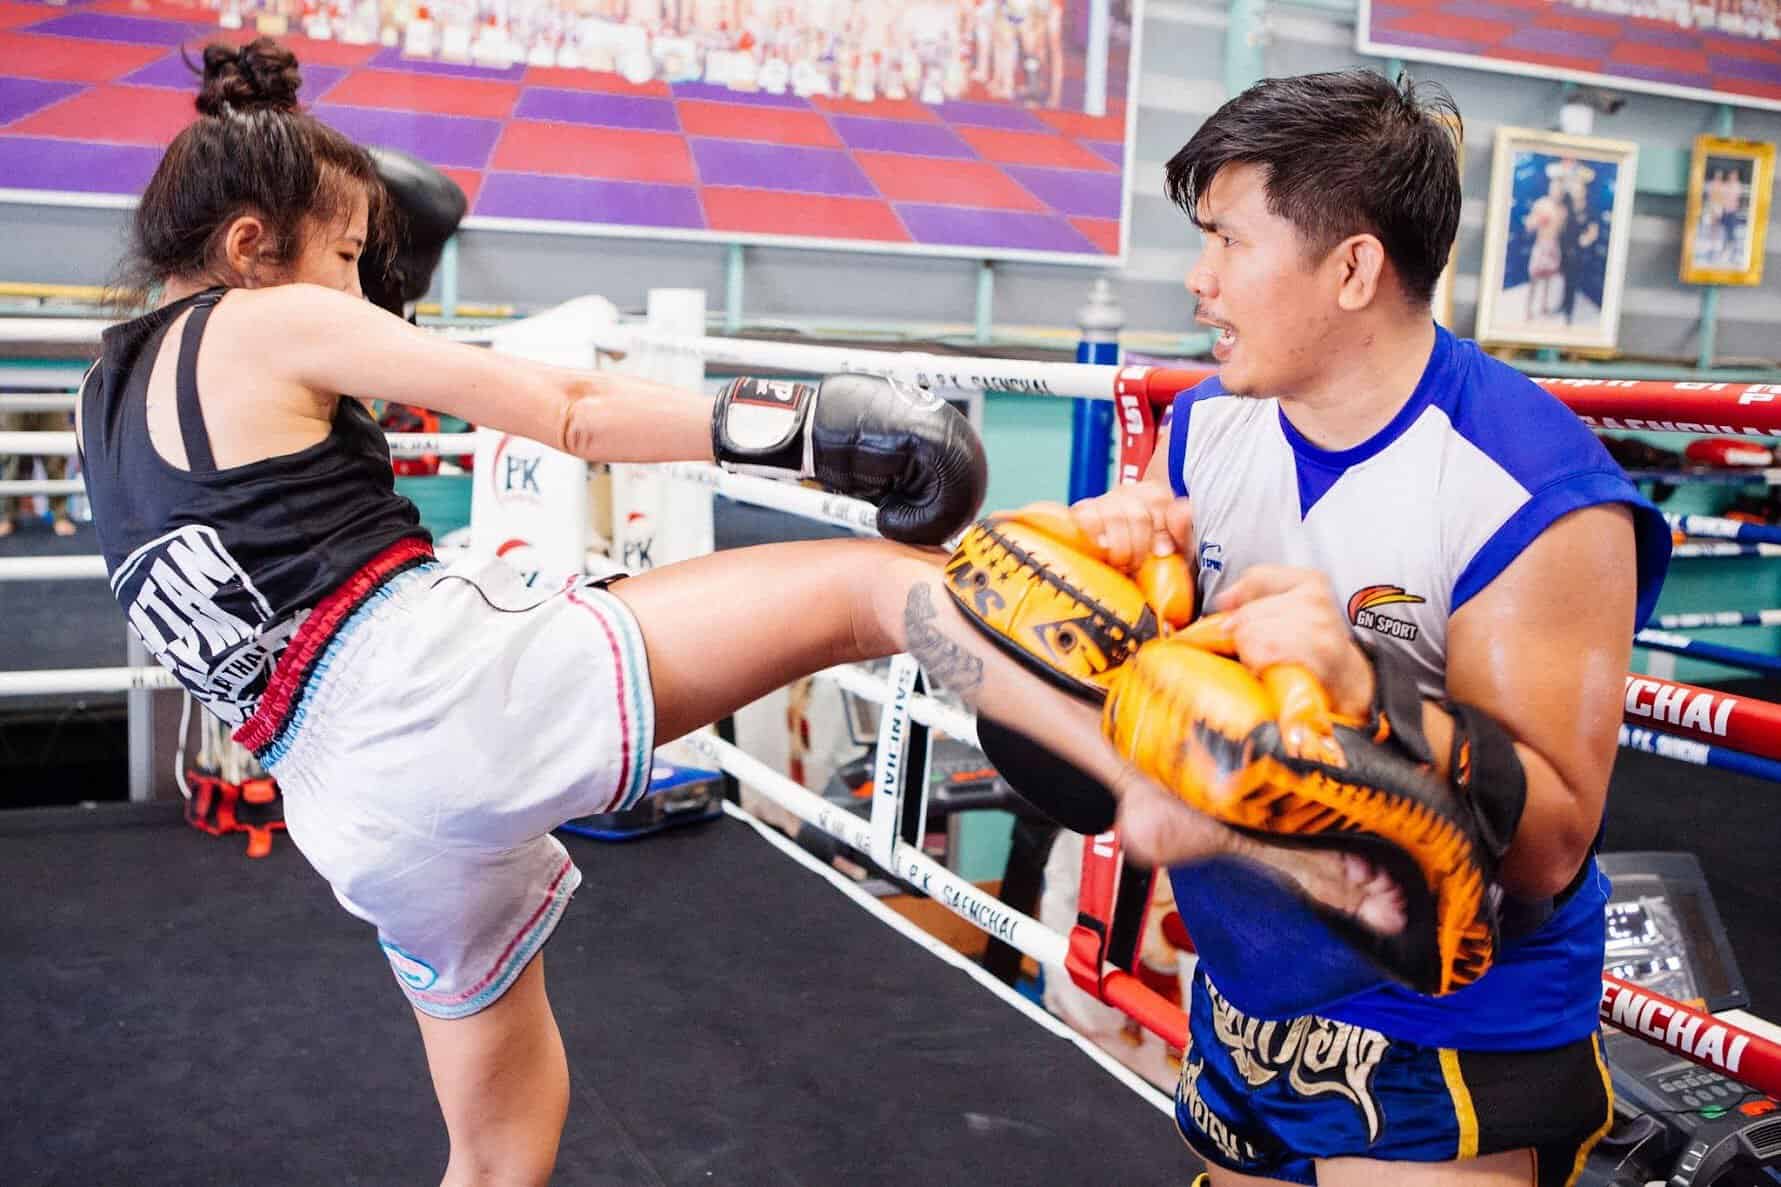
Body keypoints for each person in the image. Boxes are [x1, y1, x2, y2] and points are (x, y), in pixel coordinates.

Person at [77, 38, 1391, 1187]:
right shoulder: (263, 316)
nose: (361, 290)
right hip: (437, 689)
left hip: (345, 811)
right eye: (348, 258)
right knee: (866, 587)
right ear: (253, 247)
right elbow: (575, 412)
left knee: (501, 1146)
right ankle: (1208, 806)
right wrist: (808, 434)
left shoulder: (105, 401)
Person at [1056, 70, 1670, 1187]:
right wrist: (1113, 586)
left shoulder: (1528, 489)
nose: (1197, 283)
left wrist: (1370, 690)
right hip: (1251, 981)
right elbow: (1149, 705)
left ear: (1351, 267)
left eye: (1227, 243)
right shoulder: (1203, 429)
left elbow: (1546, 843)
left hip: (1451, 1020)